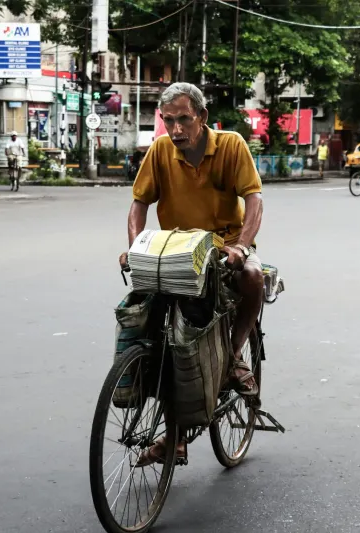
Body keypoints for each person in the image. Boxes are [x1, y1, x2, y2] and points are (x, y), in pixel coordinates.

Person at [119, 82, 264, 466]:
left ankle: (234, 356)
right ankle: (176, 436)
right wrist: (136, 249)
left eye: (184, 119)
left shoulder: (231, 145)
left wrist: (242, 247)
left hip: (223, 249)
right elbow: (138, 205)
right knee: (167, 338)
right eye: (169, 121)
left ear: (201, 116)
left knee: (253, 277)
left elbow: (254, 199)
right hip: (176, 252)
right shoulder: (161, 151)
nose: (176, 129)